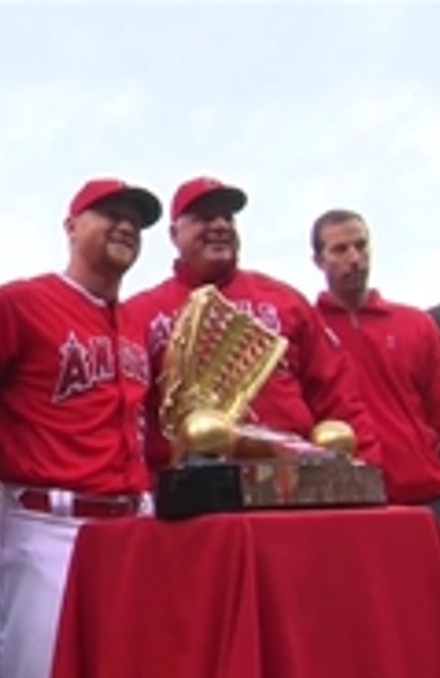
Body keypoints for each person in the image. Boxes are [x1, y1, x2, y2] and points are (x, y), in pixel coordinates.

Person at [0, 178, 161, 678]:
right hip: (47, 526)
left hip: (132, 525)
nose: (126, 224)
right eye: (109, 213)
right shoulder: (19, 304)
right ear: (71, 225)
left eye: (136, 219)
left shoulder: (137, 326)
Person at [310, 207, 440, 656]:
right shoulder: (306, 330)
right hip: (352, 509)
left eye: (361, 245)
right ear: (318, 260)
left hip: (429, 502)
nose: (354, 257)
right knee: (380, 649)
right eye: (340, 249)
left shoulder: (415, 325)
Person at [124, 176, 382, 473]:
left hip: (293, 484)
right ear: (174, 234)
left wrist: (369, 473)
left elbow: (337, 394)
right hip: (193, 494)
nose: (220, 225)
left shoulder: (284, 300)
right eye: (205, 217)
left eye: (228, 218)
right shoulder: (140, 313)